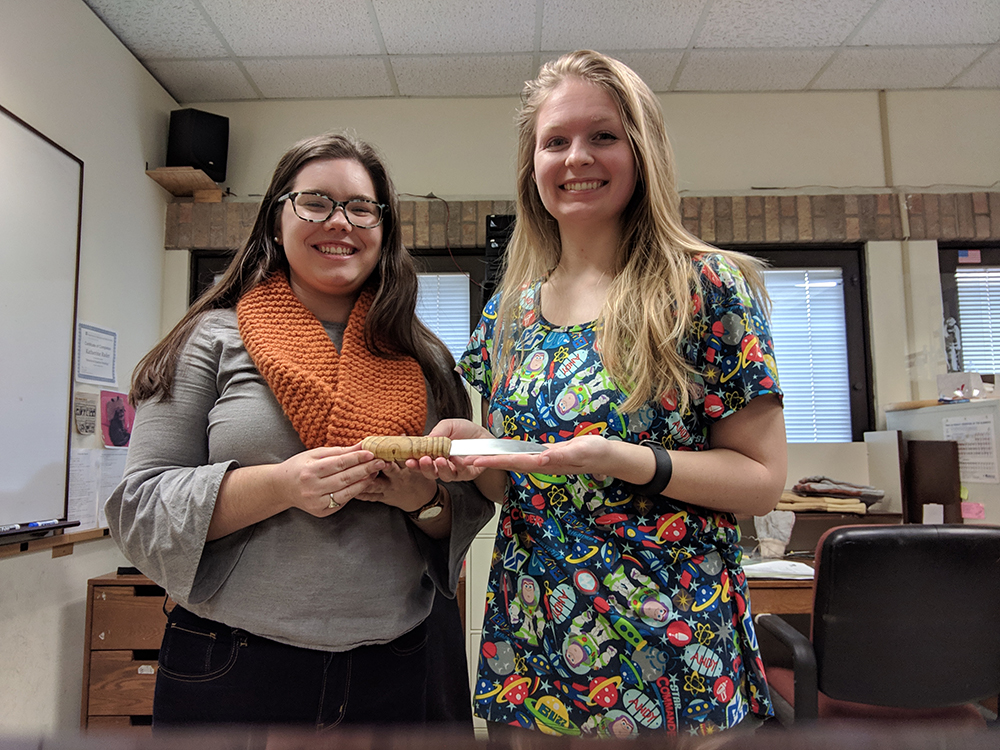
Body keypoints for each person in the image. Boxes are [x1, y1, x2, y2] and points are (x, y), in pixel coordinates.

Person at [409, 51, 786, 737]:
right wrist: (481, 454)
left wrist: (621, 459)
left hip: (673, 653)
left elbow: (761, 481)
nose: (576, 157)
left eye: (603, 136)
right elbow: (510, 489)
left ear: (642, 152)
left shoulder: (704, 288)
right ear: (533, 166)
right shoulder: (509, 316)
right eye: (555, 141)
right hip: (535, 646)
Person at [105, 133, 494, 729]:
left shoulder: (428, 358)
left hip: (402, 663)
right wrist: (281, 486)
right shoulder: (208, 341)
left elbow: (461, 511)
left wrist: (423, 501)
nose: (340, 221)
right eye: (314, 201)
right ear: (276, 219)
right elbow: (139, 506)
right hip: (233, 665)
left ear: (383, 228)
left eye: (361, 208)